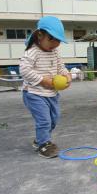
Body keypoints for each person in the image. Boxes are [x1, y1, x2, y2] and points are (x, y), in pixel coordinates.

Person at [19, 16, 72, 159]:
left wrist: (67, 76)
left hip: (52, 94)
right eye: (51, 39)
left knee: (54, 119)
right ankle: (44, 145)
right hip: (34, 93)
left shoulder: (54, 52)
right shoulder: (32, 51)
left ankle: (38, 140)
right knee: (44, 120)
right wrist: (42, 80)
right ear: (40, 35)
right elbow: (24, 70)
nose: (55, 44)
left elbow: (61, 67)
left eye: (58, 40)